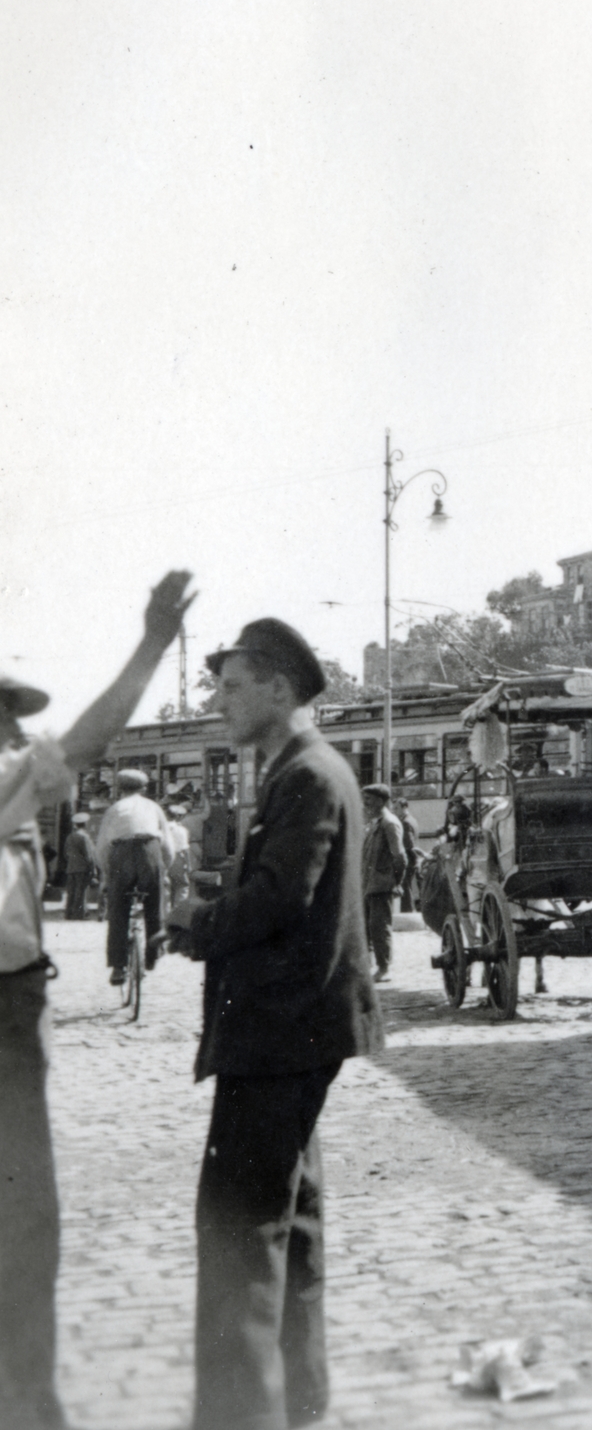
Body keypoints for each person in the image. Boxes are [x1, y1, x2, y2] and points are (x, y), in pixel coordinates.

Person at [164, 617, 382, 1430]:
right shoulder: (310, 768)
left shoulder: (305, 775)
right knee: (292, 1221)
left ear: (279, 688)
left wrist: (197, 919)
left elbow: (280, 899)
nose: (218, 701)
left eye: (230, 685)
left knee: (238, 1231)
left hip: (280, 1030)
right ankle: (300, 1401)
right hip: (299, 1028)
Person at [0, 570, 194, 1430]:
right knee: (24, 1213)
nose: (17, 733)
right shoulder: (9, 779)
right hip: (7, 1009)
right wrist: (153, 643)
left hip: (18, 1000)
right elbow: (84, 737)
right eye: (5, 717)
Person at [95, 769, 172, 984]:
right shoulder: (154, 807)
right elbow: (168, 845)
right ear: (144, 788)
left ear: (119, 788)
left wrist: (106, 875)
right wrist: (163, 871)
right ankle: (153, 955)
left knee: (118, 910)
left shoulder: (114, 809)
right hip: (150, 851)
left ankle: (118, 968)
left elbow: (101, 847)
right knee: (154, 905)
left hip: (122, 855)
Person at [360, 783, 405, 981]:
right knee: (366, 927)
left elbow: (400, 857)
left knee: (379, 927)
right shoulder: (374, 822)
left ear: (381, 800)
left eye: (368, 798)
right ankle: (366, 967)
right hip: (368, 884)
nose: (364, 802)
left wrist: (396, 881)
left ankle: (383, 968)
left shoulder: (389, 823)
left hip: (381, 884)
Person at [61, 813, 95, 921]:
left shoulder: (69, 837)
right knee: (81, 891)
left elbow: (65, 853)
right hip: (82, 868)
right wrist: (92, 868)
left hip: (71, 867)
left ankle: (68, 914)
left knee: (71, 891)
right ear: (85, 824)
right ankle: (79, 914)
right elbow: (88, 854)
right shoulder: (84, 837)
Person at [164, 802, 191, 907]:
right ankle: (178, 913)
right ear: (178, 817)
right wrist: (188, 865)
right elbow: (185, 849)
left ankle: (165, 915)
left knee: (165, 888)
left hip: (163, 859)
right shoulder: (181, 830)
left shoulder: (160, 829)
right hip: (177, 859)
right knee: (182, 886)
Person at [394, 796, 419, 913]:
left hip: (408, 858)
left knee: (405, 886)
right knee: (407, 885)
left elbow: (408, 843)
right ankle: (409, 910)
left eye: (396, 808)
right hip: (413, 858)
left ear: (404, 807)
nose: (394, 811)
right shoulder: (412, 820)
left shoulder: (405, 823)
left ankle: (407, 912)